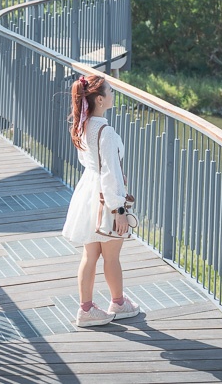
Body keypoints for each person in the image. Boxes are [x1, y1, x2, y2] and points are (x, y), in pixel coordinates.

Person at [61, 75, 141, 327]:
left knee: (90, 254)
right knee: (112, 255)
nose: (113, 95)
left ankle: (86, 308)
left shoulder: (82, 125)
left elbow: (94, 165)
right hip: (104, 197)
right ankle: (118, 302)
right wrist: (118, 209)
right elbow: (110, 173)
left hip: (88, 192)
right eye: (110, 92)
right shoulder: (105, 132)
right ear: (99, 99)